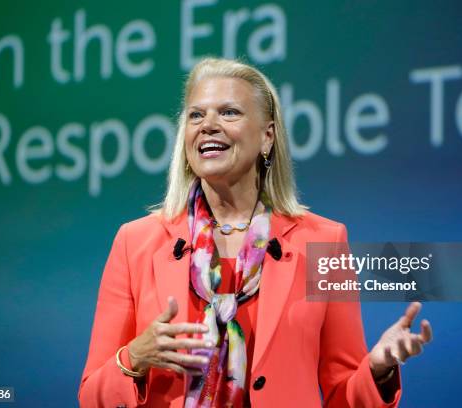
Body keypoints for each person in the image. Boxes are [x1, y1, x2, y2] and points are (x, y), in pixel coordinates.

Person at [78, 58, 432, 408]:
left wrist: (378, 370)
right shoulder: (135, 242)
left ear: (267, 137)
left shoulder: (323, 242)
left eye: (229, 112)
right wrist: (135, 358)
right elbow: (92, 396)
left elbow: (343, 394)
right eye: (196, 115)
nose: (208, 125)